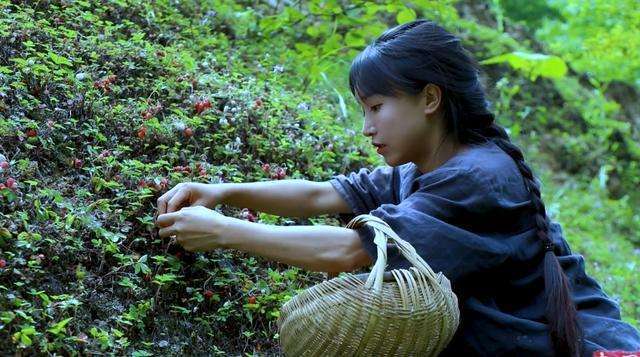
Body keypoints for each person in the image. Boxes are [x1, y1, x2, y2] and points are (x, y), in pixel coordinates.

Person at [154, 19, 640, 356]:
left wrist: (224, 232)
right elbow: (324, 196)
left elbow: (351, 251)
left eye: (376, 107)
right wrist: (221, 191)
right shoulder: (422, 166)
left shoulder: (478, 178)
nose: (367, 127)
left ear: (430, 98)